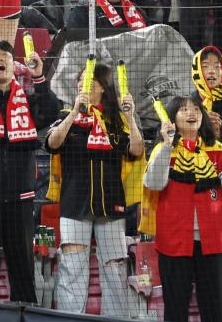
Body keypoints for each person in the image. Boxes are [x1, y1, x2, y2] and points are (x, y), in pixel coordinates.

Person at [0, 38, 61, 304]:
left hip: (20, 200)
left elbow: (51, 111)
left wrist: (39, 77)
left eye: (4, 55)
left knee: (23, 271)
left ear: (13, 64)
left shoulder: (26, 100)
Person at [44, 63, 145, 318]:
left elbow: (136, 150)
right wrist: (74, 113)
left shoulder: (118, 121)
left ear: (103, 87)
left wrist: (131, 117)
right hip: (74, 204)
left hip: (111, 205)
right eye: (79, 81)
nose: (81, 84)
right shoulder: (67, 116)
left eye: (88, 81)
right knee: (72, 269)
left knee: (115, 270)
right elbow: (51, 143)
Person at [143, 93, 222, 322]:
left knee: (214, 309)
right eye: (184, 110)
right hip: (173, 240)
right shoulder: (163, 150)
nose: (192, 113)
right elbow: (153, 183)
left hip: (213, 241)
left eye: (196, 110)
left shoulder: (217, 149)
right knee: (175, 308)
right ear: (171, 119)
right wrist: (167, 146)